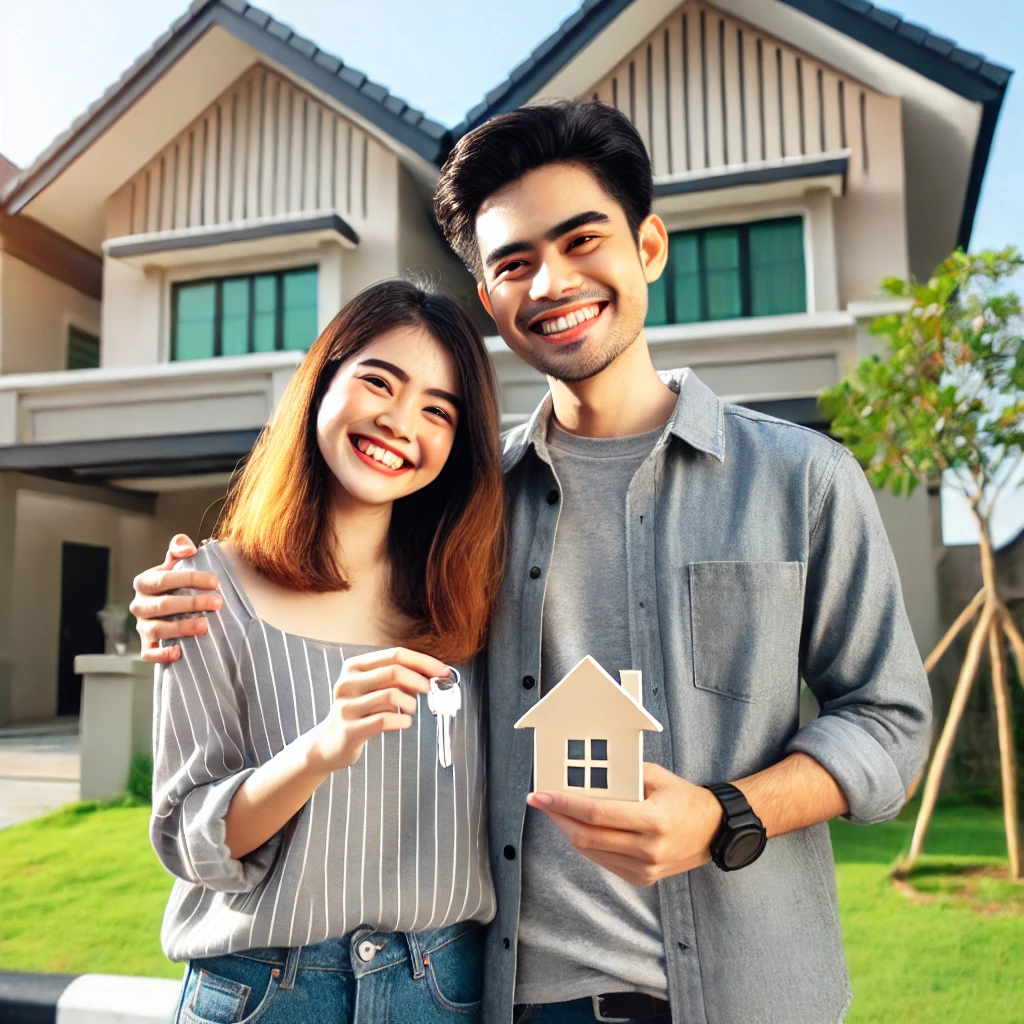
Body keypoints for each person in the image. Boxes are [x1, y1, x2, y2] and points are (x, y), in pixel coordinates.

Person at [134, 102, 932, 1024]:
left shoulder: (803, 480)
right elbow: (332, 563)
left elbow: (890, 720)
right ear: (491, 300)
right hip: (514, 998)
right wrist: (201, 592)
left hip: (750, 992)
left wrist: (726, 814)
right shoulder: (459, 504)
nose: (552, 282)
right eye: (515, 262)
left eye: (582, 240)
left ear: (651, 246)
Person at [147, 279, 506, 1023]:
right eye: (379, 381)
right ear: (322, 382)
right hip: (265, 991)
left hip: (443, 989)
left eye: (438, 410)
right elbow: (190, 838)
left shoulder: (473, 597)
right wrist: (321, 748)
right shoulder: (206, 586)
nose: (399, 421)